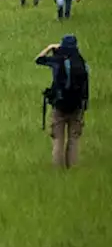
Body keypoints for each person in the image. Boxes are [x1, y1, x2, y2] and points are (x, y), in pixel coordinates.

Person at [37, 35, 90, 168]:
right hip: (77, 106)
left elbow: (39, 60)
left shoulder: (57, 60)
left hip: (60, 105)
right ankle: (72, 167)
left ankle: (57, 168)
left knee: (58, 139)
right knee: (73, 139)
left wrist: (49, 47)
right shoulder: (81, 61)